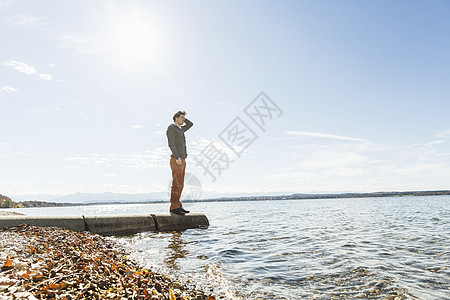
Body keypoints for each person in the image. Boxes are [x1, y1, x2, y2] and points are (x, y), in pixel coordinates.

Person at [166, 110, 193, 216]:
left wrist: (184, 117)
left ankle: (178, 205)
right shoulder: (171, 128)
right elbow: (171, 144)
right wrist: (177, 157)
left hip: (182, 159)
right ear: (176, 118)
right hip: (176, 159)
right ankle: (173, 207)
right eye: (181, 117)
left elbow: (191, 124)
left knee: (180, 184)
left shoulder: (181, 129)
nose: (183, 119)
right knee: (176, 184)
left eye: (183, 118)